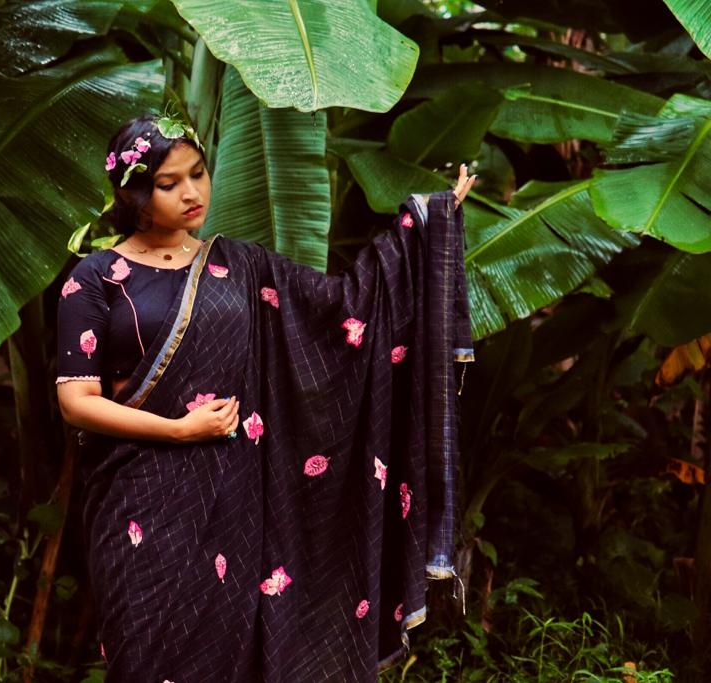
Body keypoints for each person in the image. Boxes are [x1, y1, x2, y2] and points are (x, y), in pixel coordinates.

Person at [55, 111, 476, 682]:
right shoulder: (95, 277)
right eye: (168, 183)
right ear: (133, 193)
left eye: (198, 174)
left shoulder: (241, 266)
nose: (190, 193)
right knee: (147, 656)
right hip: (139, 502)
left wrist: (427, 226)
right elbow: (77, 401)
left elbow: (344, 308)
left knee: (233, 656)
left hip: (234, 496)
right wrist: (179, 430)